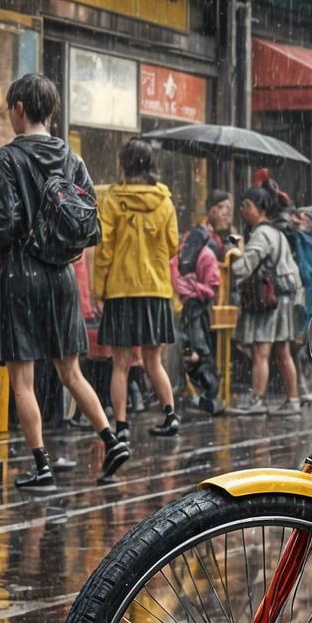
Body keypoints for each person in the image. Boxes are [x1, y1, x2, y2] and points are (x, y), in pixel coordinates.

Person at [0, 73, 128, 490]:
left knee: (23, 378)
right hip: (63, 275)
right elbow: (90, 222)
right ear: (51, 112)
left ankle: (41, 465)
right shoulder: (72, 159)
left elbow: (8, 221)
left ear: (19, 109)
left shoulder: (7, 159)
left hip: (21, 273)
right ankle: (111, 438)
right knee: (70, 371)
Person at [93, 138, 181, 439]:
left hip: (121, 290)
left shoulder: (113, 200)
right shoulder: (165, 201)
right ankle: (170, 415)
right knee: (153, 359)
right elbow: (172, 245)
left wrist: (99, 289)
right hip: (155, 289)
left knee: (121, 363)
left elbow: (104, 249)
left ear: (124, 165)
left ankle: (121, 425)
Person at [230, 184, 303, 415]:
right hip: (283, 298)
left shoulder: (261, 234)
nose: (243, 210)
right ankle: (293, 400)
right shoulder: (277, 232)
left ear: (260, 208)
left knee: (262, 351)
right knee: (282, 351)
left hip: (268, 301)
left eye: (247, 206)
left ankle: (257, 400)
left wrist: (233, 257)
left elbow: (244, 267)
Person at [173, 190, 233, 416]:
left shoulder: (219, 237)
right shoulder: (199, 235)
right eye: (223, 209)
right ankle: (203, 395)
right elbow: (185, 265)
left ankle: (205, 395)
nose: (227, 215)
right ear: (212, 209)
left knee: (204, 349)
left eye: (229, 210)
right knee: (199, 349)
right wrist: (196, 289)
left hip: (208, 304)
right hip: (197, 303)